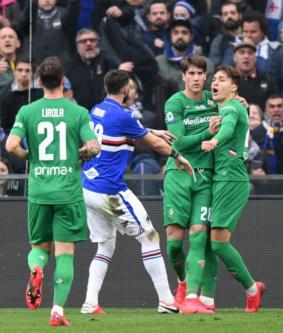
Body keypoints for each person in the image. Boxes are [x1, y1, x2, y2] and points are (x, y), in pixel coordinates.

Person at [80, 69, 192, 315]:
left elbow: (132, 131)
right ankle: (166, 300)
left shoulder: (96, 109)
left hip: (87, 186)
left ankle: (90, 302)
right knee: (149, 237)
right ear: (126, 90)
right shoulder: (125, 114)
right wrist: (178, 156)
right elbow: (150, 142)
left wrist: (153, 131)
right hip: (110, 190)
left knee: (105, 247)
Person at [5, 56, 100, 327]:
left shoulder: (28, 111)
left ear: (39, 82)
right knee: (65, 253)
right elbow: (93, 145)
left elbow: (11, 145)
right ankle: (57, 311)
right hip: (68, 192)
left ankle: (36, 268)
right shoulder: (78, 112)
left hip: (39, 191)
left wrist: (29, 156)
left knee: (39, 247)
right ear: (63, 81)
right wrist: (88, 150)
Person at [201, 64, 266, 312]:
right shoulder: (226, 105)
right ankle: (206, 300)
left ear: (234, 87)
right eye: (213, 79)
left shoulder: (232, 107)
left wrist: (214, 140)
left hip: (232, 179)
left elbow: (228, 128)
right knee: (209, 241)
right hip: (220, 178)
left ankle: (252, 290)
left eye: (221, 79)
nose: (214, 83)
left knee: (217, 243)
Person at [163, 55, 220, 314]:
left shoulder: (213, 99)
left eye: (201, 73)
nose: (197, 78)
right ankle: (183, 283)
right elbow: (178, 142)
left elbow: (233, 111)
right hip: (178, 174)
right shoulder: (175, 103)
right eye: (192, 74)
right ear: (183, 76)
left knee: (198, 236)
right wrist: (208, 132)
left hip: (205, 175)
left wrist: (239, 103)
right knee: (174, 243)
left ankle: (193, 299)